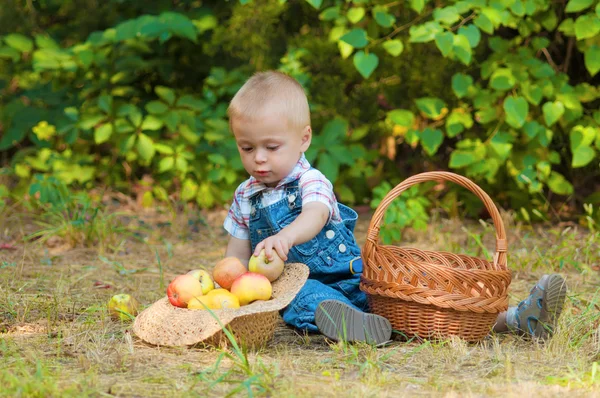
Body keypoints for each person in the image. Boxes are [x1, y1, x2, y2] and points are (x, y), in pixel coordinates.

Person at [222, 70, 568, 345]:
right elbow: (236, 255)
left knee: (423, 303)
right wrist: (229, 286)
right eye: (247, 148)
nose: (259, 158)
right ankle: (358, 326)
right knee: (298, 299)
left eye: (271, 146)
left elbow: (316, 214)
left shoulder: (310, 180)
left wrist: (286, 237)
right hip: (299, 286)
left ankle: (515, 318)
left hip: (356, 277)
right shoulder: (244, 197)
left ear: (304, 139)